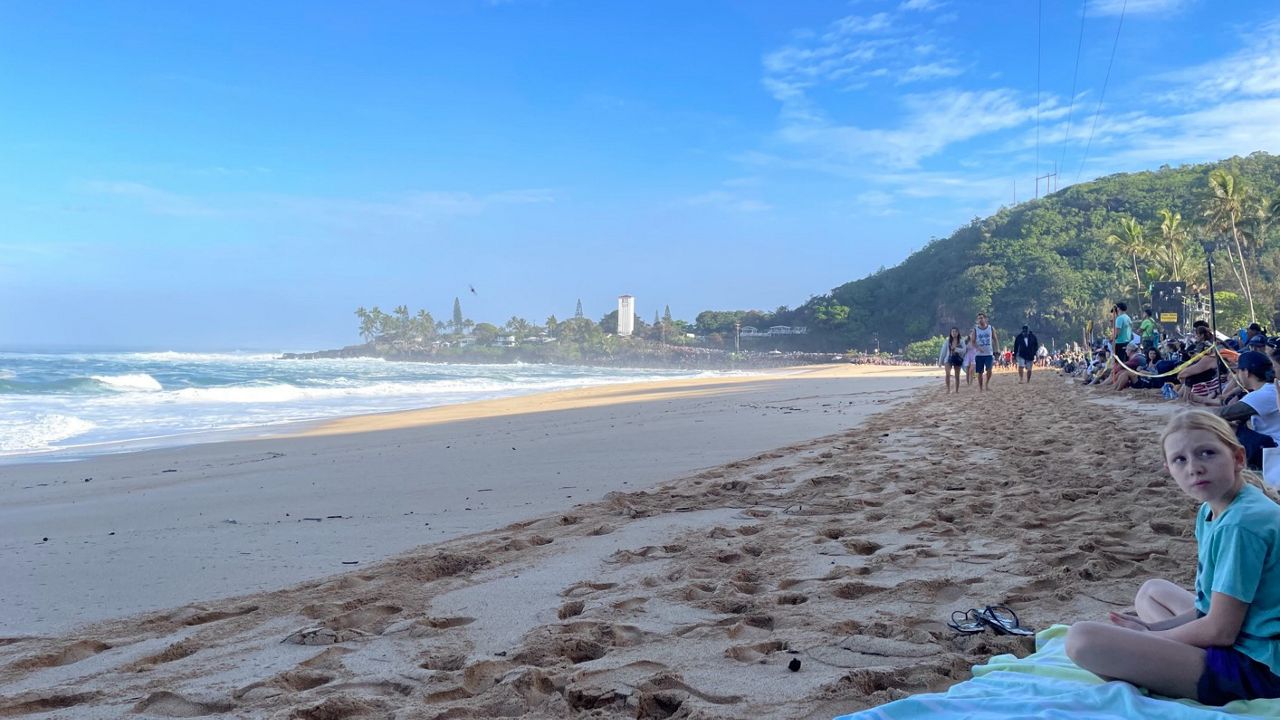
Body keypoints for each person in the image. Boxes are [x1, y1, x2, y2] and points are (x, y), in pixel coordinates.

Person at [1065, 411, 1280, 705]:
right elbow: (1210, 608)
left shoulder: (1240, 524)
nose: (1195, 468)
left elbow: (1220, 629)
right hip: (1246, 635)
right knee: (1152, 592)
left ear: (1238, 458)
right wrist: (1152, 629)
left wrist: (1150, 640)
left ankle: (1170, 669)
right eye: (1181, 460)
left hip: (1261, 666)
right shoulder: (1214, 510)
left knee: (1082, 640)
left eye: (1207, 453)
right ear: (1169, 469)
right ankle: (1168, 660)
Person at [1217, 351, 1280, 470]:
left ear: (1246, 372)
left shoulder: (1264, 393)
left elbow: (1222, 414)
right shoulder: (1272, 388)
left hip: (1273, 450)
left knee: (1229, 427)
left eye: (1237, 371)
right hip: (1271, 445)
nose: (1236, 376)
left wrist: (1185, 412)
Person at [971, 313, 997, 391]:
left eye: (981, 318)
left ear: (985, 319)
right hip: (979, 354)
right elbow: (973, 341)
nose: (980, 320)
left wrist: (997, 349)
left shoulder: (990, 328)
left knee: (989, 370)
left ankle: (987, 384)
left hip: (989, 353)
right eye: (979, 318)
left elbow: (995, 339)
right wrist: (978, 347)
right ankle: (980, 387)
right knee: (980, 372)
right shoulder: (975, 330)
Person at [939, 327, 965, 394]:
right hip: (948, 358)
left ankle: (956, 390)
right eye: (952, 332)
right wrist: (940, 361)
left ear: (958, 333)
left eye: (955, 331)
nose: (954, 333)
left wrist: (956, 349)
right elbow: (943, 351)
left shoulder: (961, 341)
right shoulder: (947, 341)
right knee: (947, 374)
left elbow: (964, 350)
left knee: (957, 375)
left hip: (957, 359)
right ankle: (948, 389)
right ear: (950, 333)